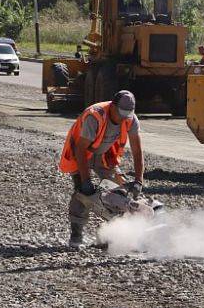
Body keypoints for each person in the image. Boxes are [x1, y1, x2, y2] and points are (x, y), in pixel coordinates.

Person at [58, 90, 145, 248]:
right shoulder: (95, 116)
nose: (123, 118)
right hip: (81, 153)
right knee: (82, 194)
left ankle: (111, 236)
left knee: (119, 193)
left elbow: (137, 151)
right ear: (112, 106)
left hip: (104, 154)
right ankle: (76, 235)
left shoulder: (131, 120)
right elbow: (80, 149)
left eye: (127, 114)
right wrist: (85, 181)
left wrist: (139, 180)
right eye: (121, 113)